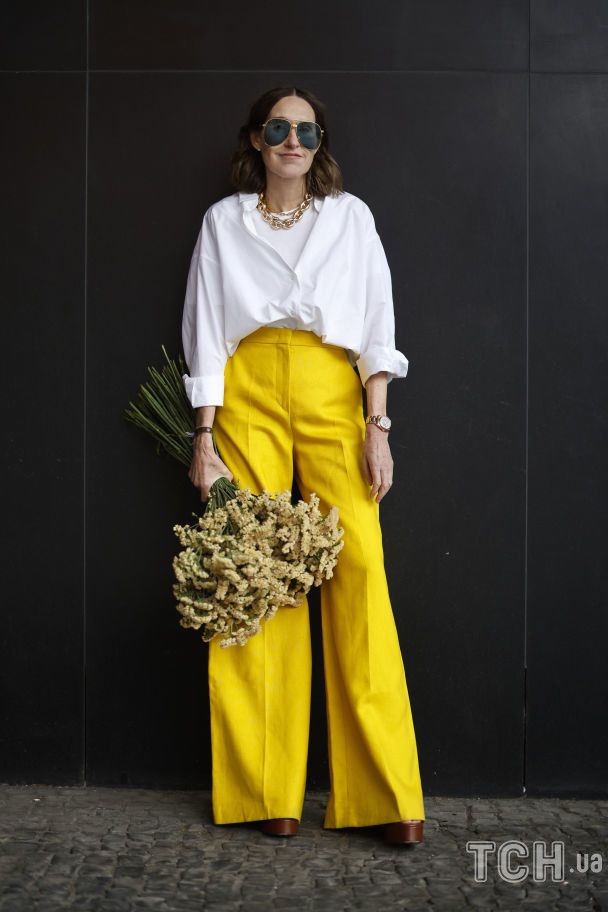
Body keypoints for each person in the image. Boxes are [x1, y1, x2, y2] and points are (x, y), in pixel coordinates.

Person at [181, 85, 425, 845]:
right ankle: (265, 790)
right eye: (280, 128)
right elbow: (205, 326)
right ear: (257, 139)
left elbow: (377, 321)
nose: (294, 141)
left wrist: (377, 425)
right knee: (253, 576)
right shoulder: (224, 222)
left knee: (360, 572)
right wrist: (204, 438)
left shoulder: (350, 218)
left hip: (330, 385)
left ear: (321, 144)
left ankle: (384, 795)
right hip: (247, 386)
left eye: (308, 131)